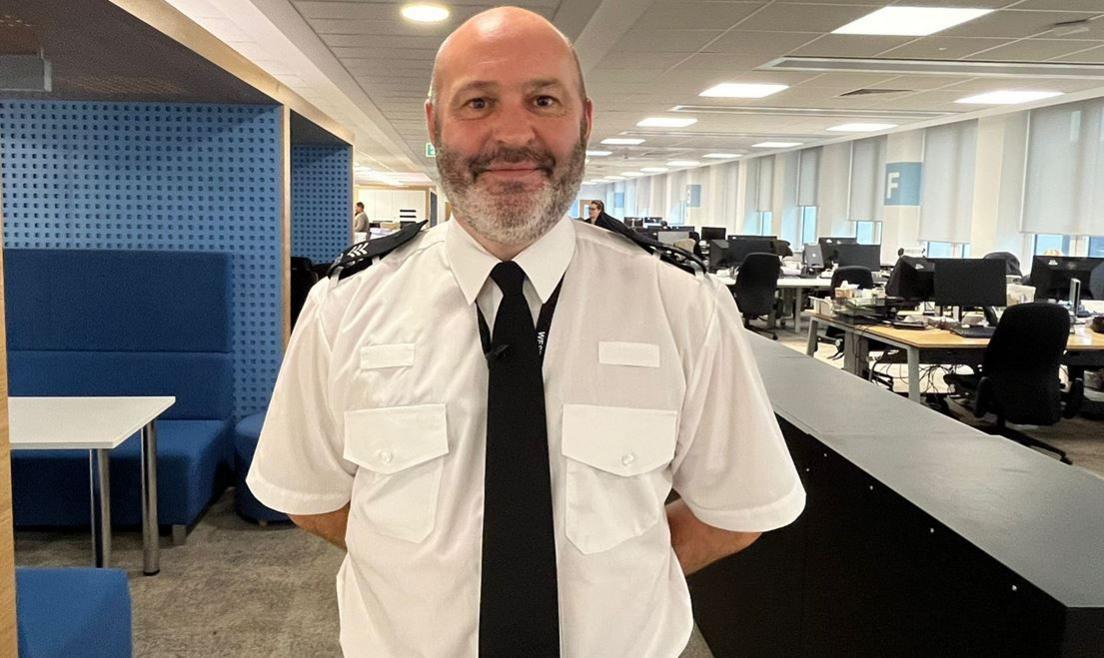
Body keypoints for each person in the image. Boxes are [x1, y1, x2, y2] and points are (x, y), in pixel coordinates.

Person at [248, 7, 804, 657]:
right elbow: (310, 497)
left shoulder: (682, 303)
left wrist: (612, 579)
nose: (513, 133)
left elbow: (735, 514)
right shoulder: (346, 305)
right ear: (434, 125)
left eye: (543, 99)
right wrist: (431, 569)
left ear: (585, 121)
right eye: (478, 102)